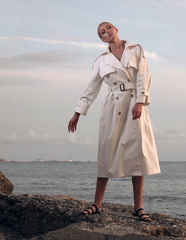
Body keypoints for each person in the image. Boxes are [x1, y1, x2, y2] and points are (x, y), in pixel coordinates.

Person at [68, 22, 160, 222]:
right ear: (102, 39)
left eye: (109, 28)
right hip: (112, 107)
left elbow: (144, 76)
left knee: (138, 156)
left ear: (116, 29)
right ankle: (97, 204)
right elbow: (91, 87)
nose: (107, 32)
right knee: (106, 153)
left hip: (134, 104)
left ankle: (138, 208)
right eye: (103, 32)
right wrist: (78, 112)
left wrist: (140, 102)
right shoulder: (101, 60)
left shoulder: (135, 50)